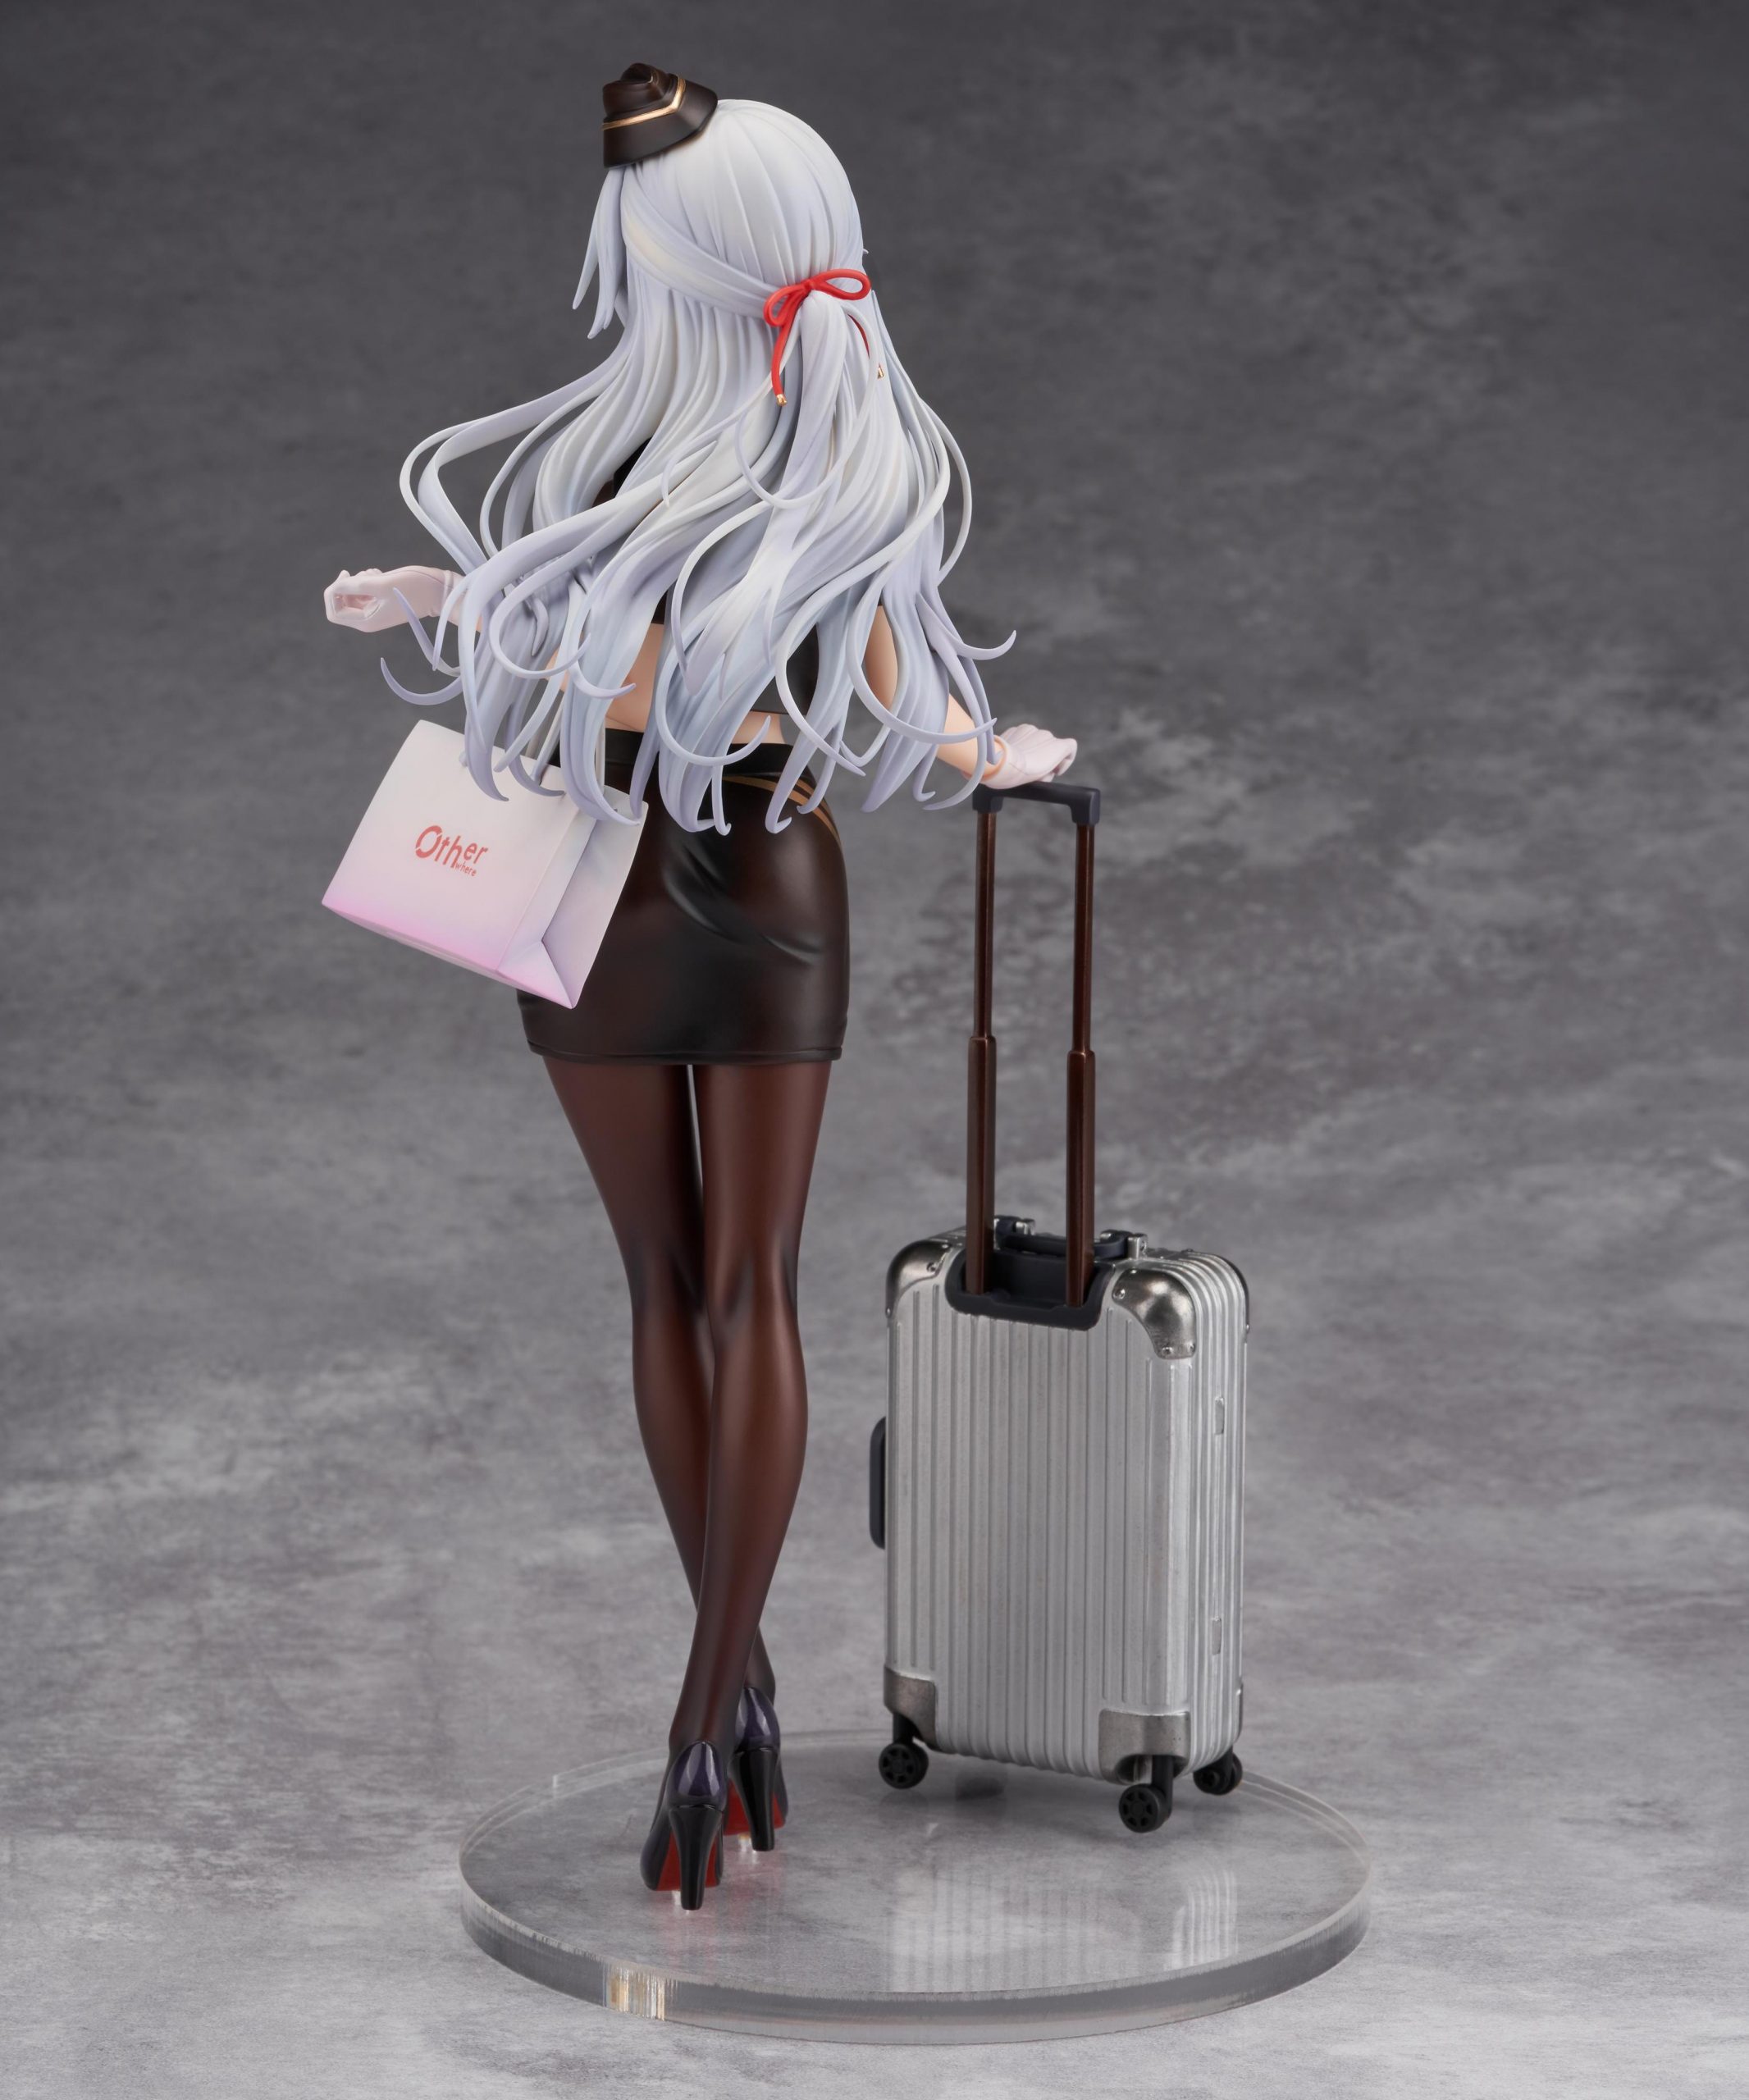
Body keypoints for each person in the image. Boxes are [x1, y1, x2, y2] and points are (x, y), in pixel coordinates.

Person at [324, 64, 1077, 1912]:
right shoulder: (690, 462)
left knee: (718, 1284)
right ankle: (725, 1693)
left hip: (703, 879)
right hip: (623, 878)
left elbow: (844, 676)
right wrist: (444, 596)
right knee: (698, 1283)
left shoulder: (823, 467)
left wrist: (980, 751)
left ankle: (705, 1706)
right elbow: (638, 645)